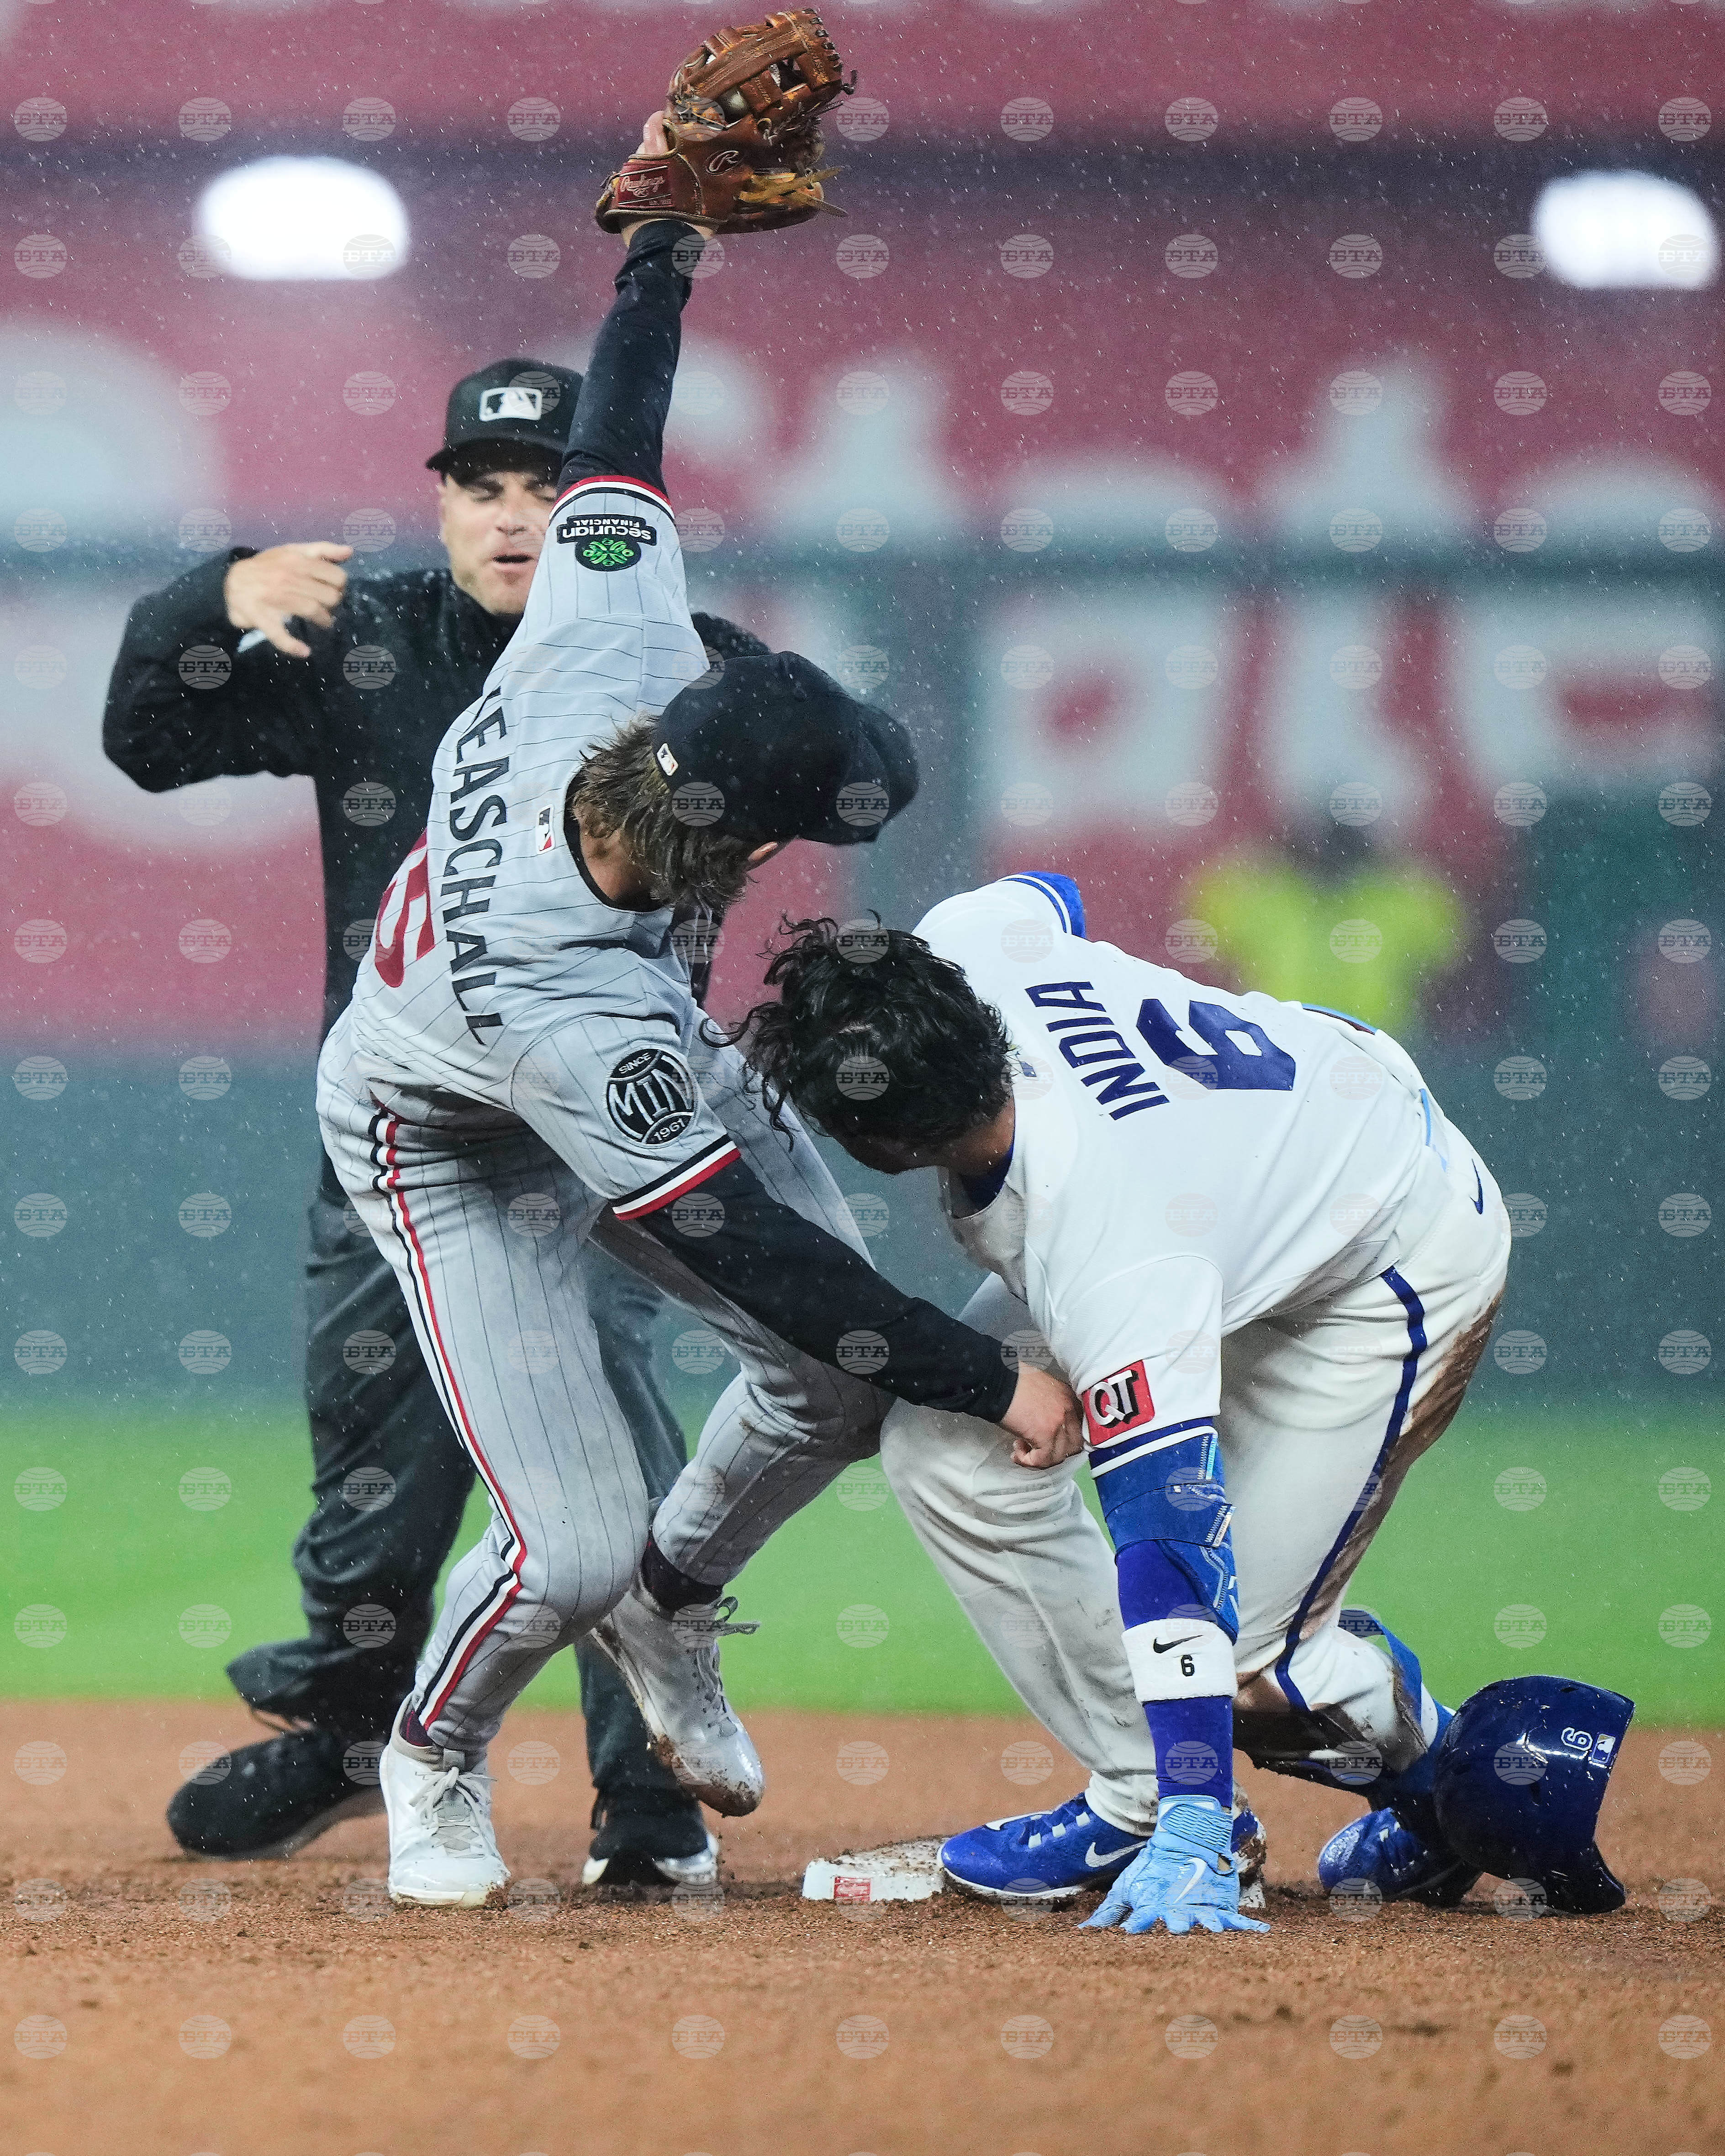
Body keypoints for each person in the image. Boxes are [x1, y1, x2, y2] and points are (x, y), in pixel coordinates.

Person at [318, 119, 1080, 1909]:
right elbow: (756, 1252)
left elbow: (618, 427)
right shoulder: (577, 987)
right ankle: (433, 1749)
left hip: (606, 1032)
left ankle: (676, 1607)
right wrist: (990, 1378)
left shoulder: (614, 615)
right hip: (444, 1109)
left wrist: (661, 238)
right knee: (567, 1536)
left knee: (819, 1392)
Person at [102, 345, 771, 1887]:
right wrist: (196, 602)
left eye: (551, 485)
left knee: (605, 1456)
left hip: (594, 1130)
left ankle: (647, 1799)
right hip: (397, 1122)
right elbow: (149, 746)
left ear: (605, 514)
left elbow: (856, 777)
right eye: (483, 484)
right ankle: (349, 1732)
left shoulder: (682, 664)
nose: (515, 513)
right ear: (447, 501)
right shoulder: (370, 644)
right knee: (373, 1453)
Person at [718, 870, 1634, 1934]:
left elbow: (1168, 1548)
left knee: (1245, 1664)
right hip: (1250, 1170)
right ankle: (1134, 1796)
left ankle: (1447, 1776)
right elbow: (1049, 893)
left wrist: (1201, 1816)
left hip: (1380, 1255)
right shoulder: (968, 944)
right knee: (944, 1450)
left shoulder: (1107, 1254)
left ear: (877, 1148)